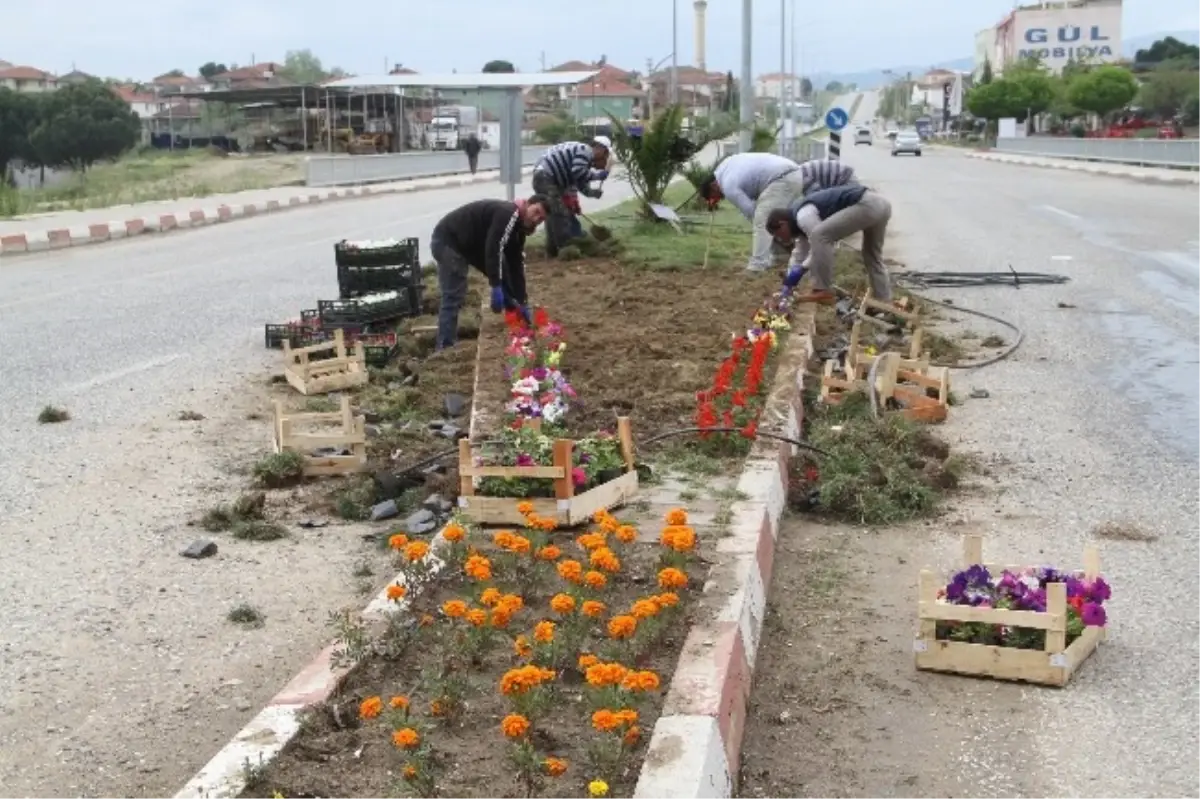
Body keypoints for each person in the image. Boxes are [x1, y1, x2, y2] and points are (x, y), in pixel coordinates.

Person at [699, 154, 858, 272]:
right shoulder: (725, 166)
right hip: (790, 172)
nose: (720, 199)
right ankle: (780, 256)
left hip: (781, 178)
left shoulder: (727, 185)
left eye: (715, 197)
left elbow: (751, 211)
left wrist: (760, 224)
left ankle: (757, 265)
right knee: (772, 219)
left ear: (714, 186)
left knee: (762, 220)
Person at [429, 195, 550, 350]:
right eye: (536, 211)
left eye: (541, 219)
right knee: (454, 294)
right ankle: (445, 347)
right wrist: (496, 286)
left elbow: (515, 266)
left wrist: (521, 301)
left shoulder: (519, 230)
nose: (536, 219)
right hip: (449, 241)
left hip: (470, 245)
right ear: (527, 204)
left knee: (506, 277)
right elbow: (494, 249)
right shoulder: (509, 214)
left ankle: (519, 326)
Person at [764, 183, 894, 305]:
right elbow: (801, 252)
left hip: (867, 204)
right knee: (872, 256)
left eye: (778, 235)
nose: (781, 239)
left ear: (782, 224)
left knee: (820, 235)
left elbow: (821, 241)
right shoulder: (799, 222)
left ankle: (822, 289)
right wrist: (789, 283)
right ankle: (884, 302)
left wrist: (802, 269)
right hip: (881, 204)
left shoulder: (803, 216)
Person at [531, 137, 610, 256]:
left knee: (552, 213)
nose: (602, 161)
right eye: (605, 156)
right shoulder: (585, 151)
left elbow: (579, 182)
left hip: (548, 178)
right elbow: (577, 172)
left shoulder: (583, 156)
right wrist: (598, 176)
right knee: (559, 212)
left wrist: (591, 193)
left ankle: (553, 249)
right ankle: (566, 248)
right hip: (545, 177)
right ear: (599, 149)